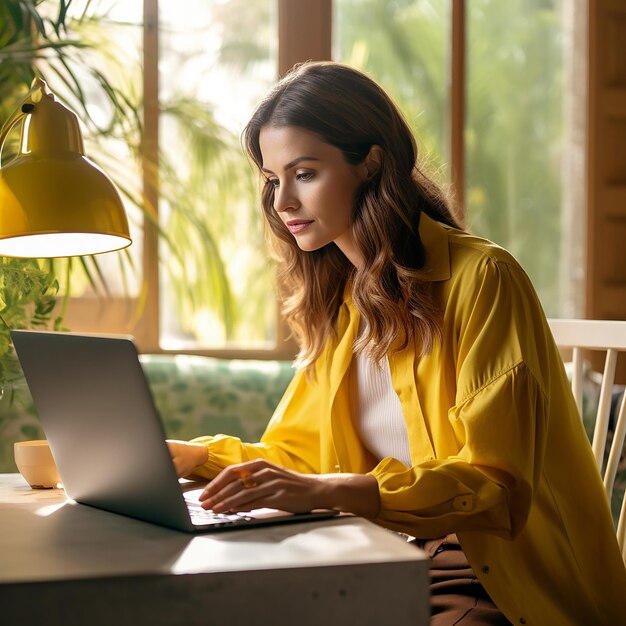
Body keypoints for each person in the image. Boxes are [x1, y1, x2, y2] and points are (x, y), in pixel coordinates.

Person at [167, 61, 626, 625]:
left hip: (486, 572)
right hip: (377, 557)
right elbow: (298, 459)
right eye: (272, 179)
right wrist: (194, 457)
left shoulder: (484, 279)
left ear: (371, 164)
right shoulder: (346, 306)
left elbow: (495, 485)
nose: (282, 201)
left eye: (304, 173)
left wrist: (328, 490)